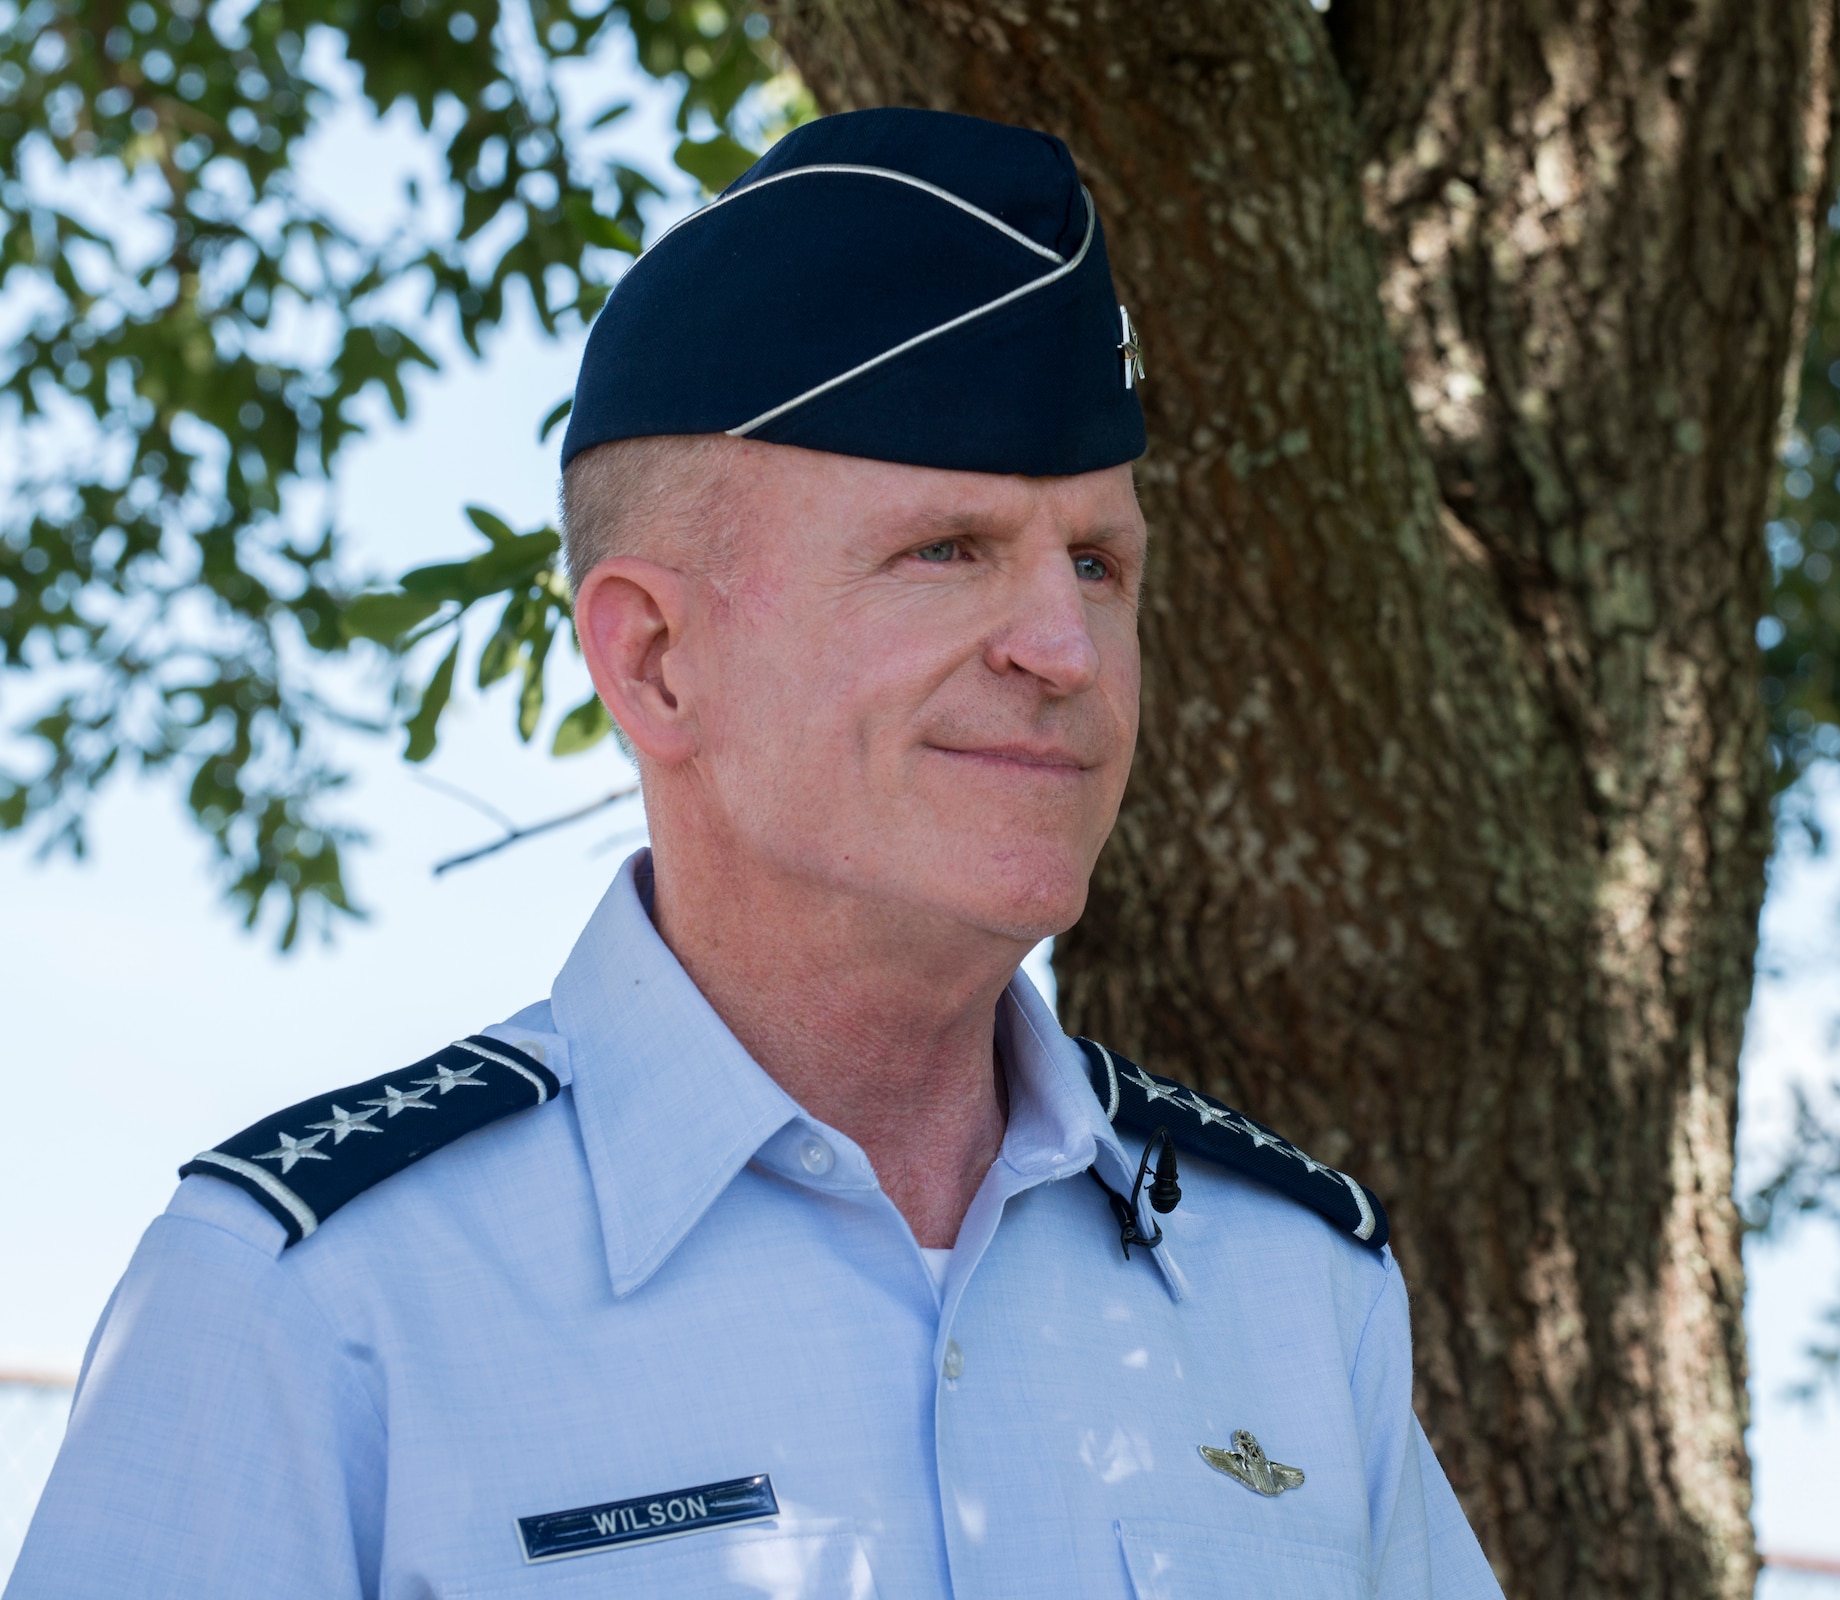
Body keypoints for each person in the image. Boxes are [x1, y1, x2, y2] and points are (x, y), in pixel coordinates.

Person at [7, 108, 1504, 1600]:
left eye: (1100, 565)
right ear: (655, 661)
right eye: (947, 551)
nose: (1068, 651)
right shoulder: (315, 1307)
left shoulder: (1297, 1295)